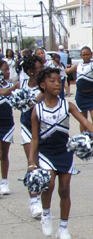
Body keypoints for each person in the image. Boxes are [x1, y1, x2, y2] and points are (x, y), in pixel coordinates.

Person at [29, 67, 93, 239]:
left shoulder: (67, 105)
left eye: (59, 81)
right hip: (46, 153)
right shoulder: (37, 110)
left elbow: (84, 121)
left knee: (65, 189)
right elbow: (35, 138)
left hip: (64, 151)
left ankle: (63, 228)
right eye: (52, 81)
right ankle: (46, 213)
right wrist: (31, 161)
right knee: (49, 184)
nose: (57, 84)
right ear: (43, 85)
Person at [19, 55, 45, 218]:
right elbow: (6, 91)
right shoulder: (21, 84)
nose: (42, 70)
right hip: (27, 128)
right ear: (30, 72)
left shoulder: (44, 87)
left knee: (42, 165)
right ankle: (34, 201)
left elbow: (35, 102)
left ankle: (41, 199)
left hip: (43, 128)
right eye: (39, 68)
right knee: (33, 162)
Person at [65, 46, 93, 132]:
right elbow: (68, 70)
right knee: (83, 120)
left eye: (88, 54)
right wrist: (56, 70)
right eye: (84, 55)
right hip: (81, 96)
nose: (86, 56)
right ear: (81, 55)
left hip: (92, 95)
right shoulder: (78, 65)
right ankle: (84, 138)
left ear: (91, 55)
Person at [0, 58, 17, 195]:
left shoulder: (10, 85)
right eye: (5, 69)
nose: (7, 72)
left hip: (7, 123)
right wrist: (16, 86)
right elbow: (3, 93)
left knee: (4, 153)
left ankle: (4, 182)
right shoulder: (11, 87)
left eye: (8, 69)